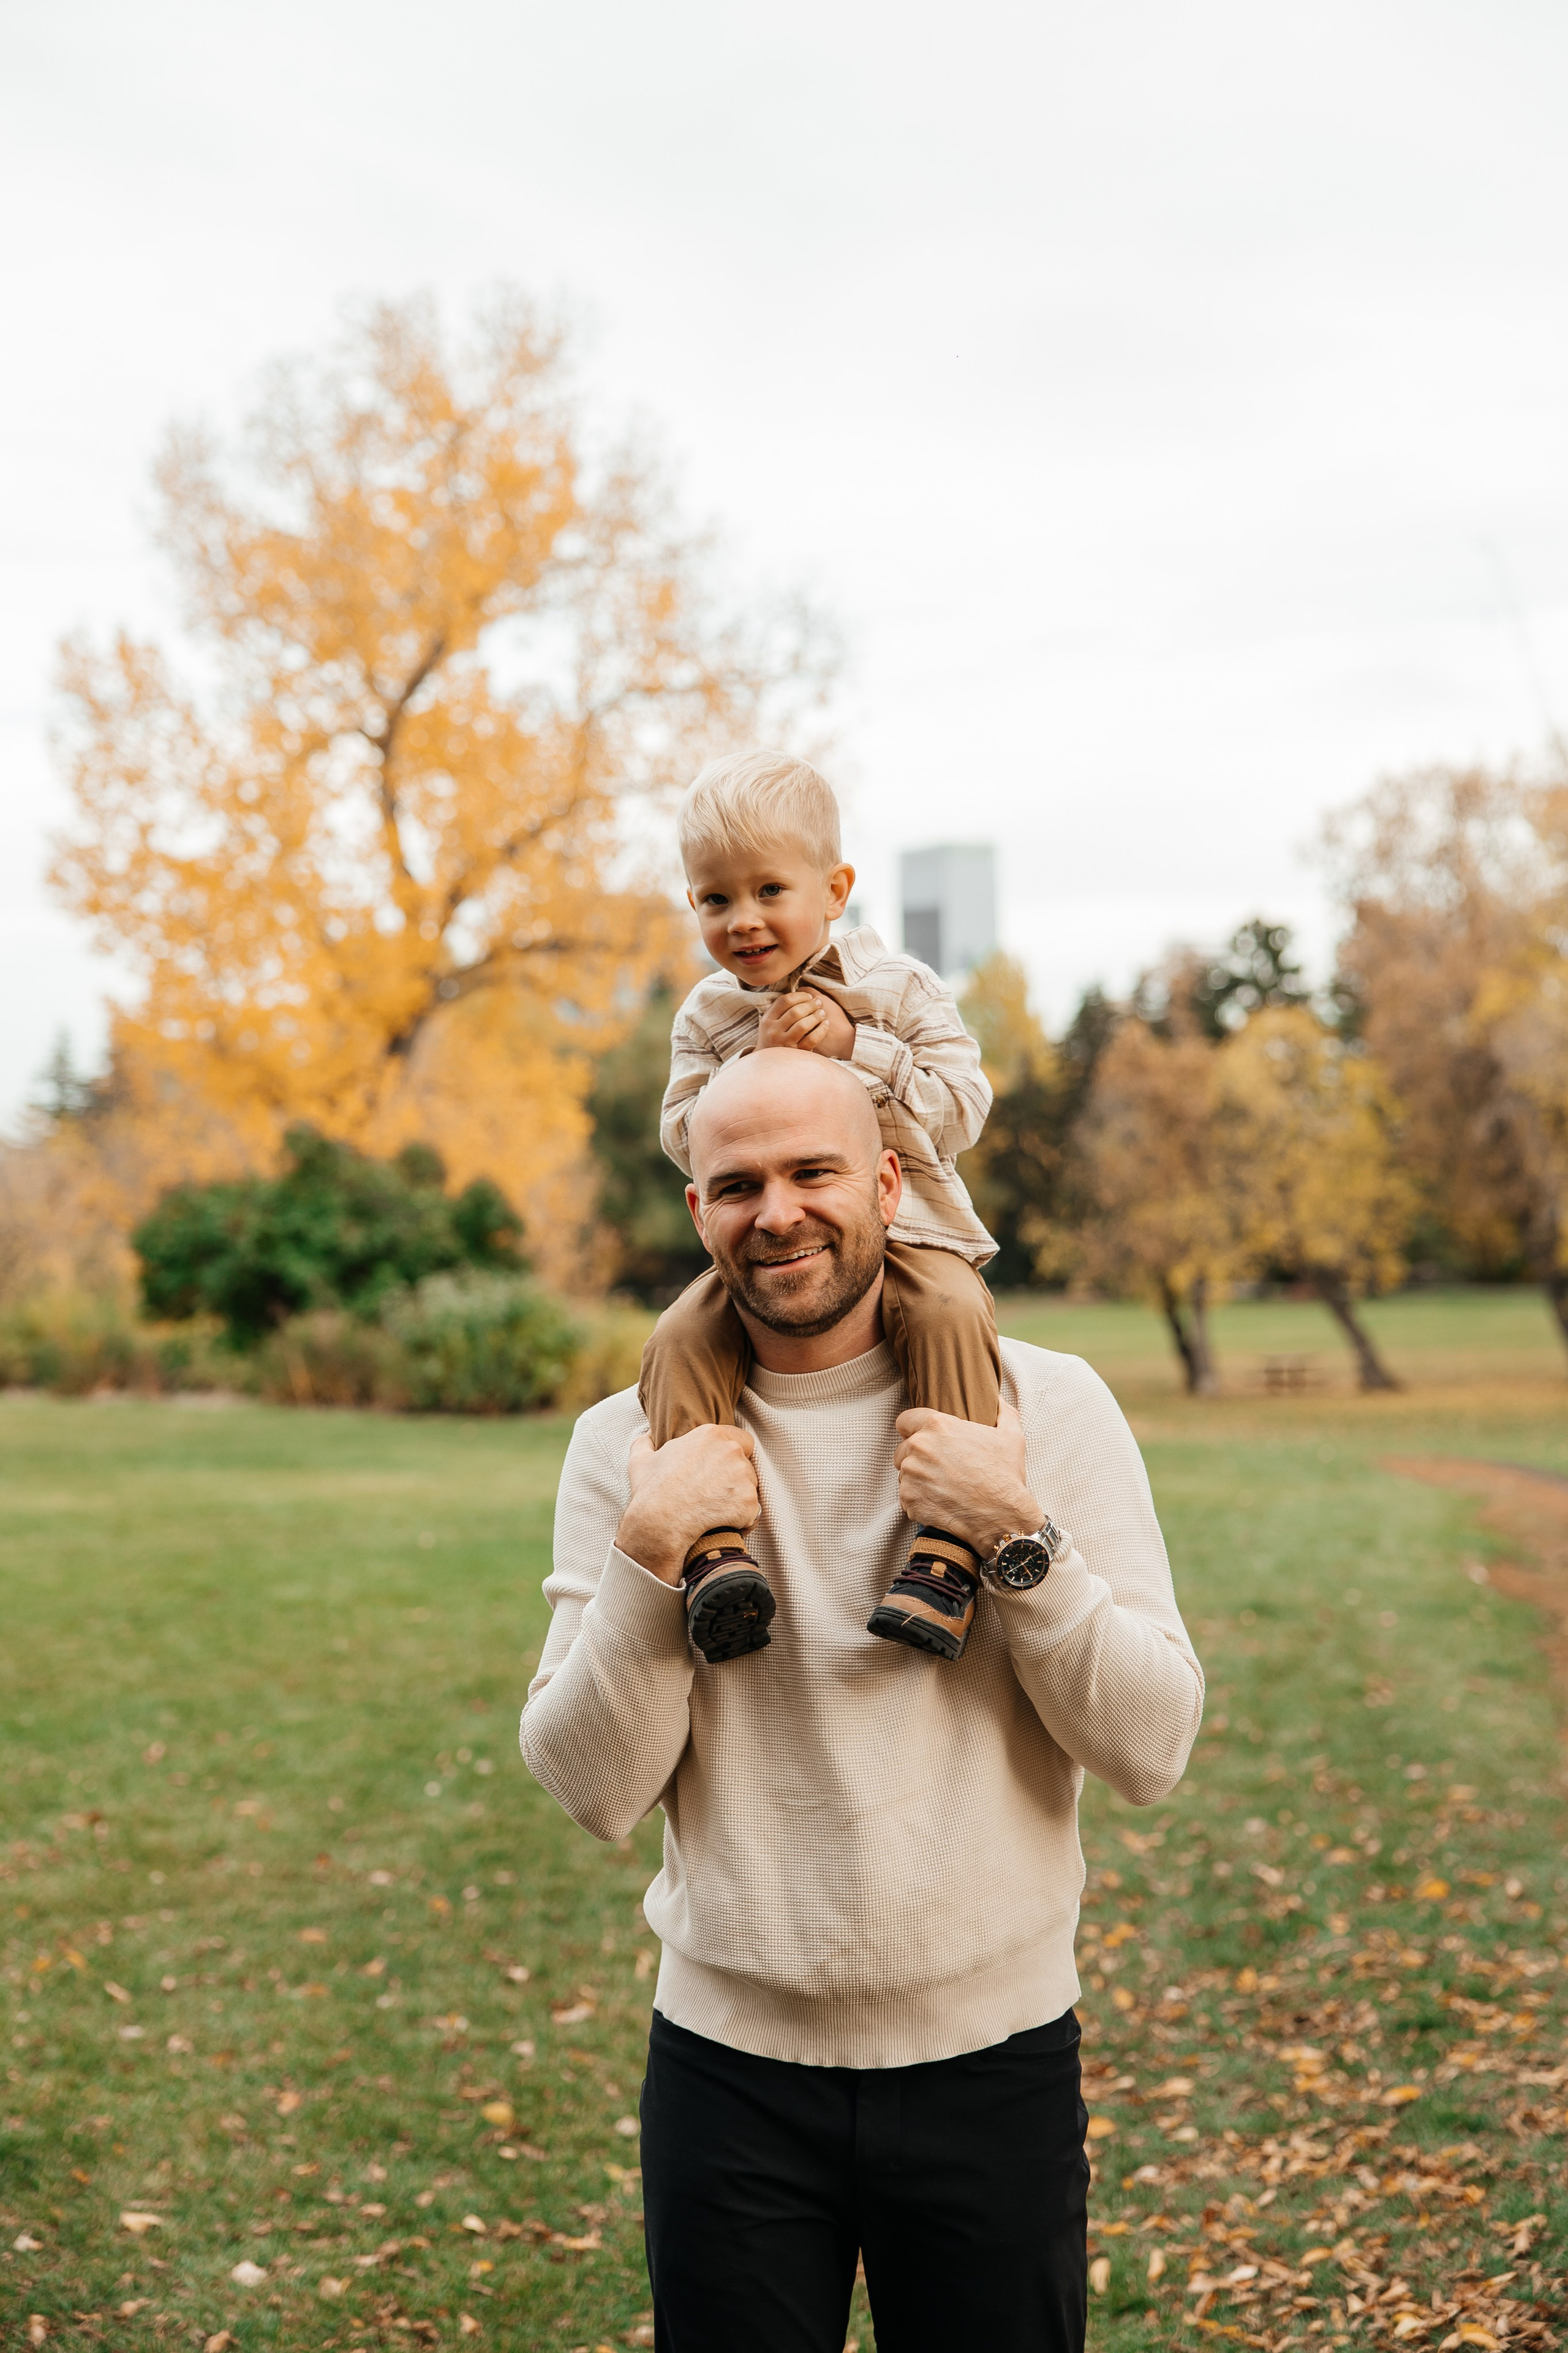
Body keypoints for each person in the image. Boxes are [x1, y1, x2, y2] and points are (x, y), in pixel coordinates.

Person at [522, 1049, 1204, 2353]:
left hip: (990, 2059)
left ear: (888, 1182)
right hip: (727, 2079)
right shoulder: (633, 1441)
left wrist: (1017, 1534)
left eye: (810, 1170)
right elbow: (590, 1787)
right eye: (736, 1184)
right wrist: (644, 1560)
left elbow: (1151, 1745)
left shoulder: (1042, 1405)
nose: (775, 1210)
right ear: (696, 1212)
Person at [641, 749, 1003, 1668]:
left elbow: (965, 1107)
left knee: (952, 1310)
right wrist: (749, 1072)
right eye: (717, 899)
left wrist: (857, 1048)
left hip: (910, 1234)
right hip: (769, 1259)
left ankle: (949, 1551)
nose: (745, 919)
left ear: (834, 887)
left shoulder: (901, 990)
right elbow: (685, 1133)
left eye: (769, 889)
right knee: (682, 1335)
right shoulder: (707, 1019)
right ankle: (714, 1552)